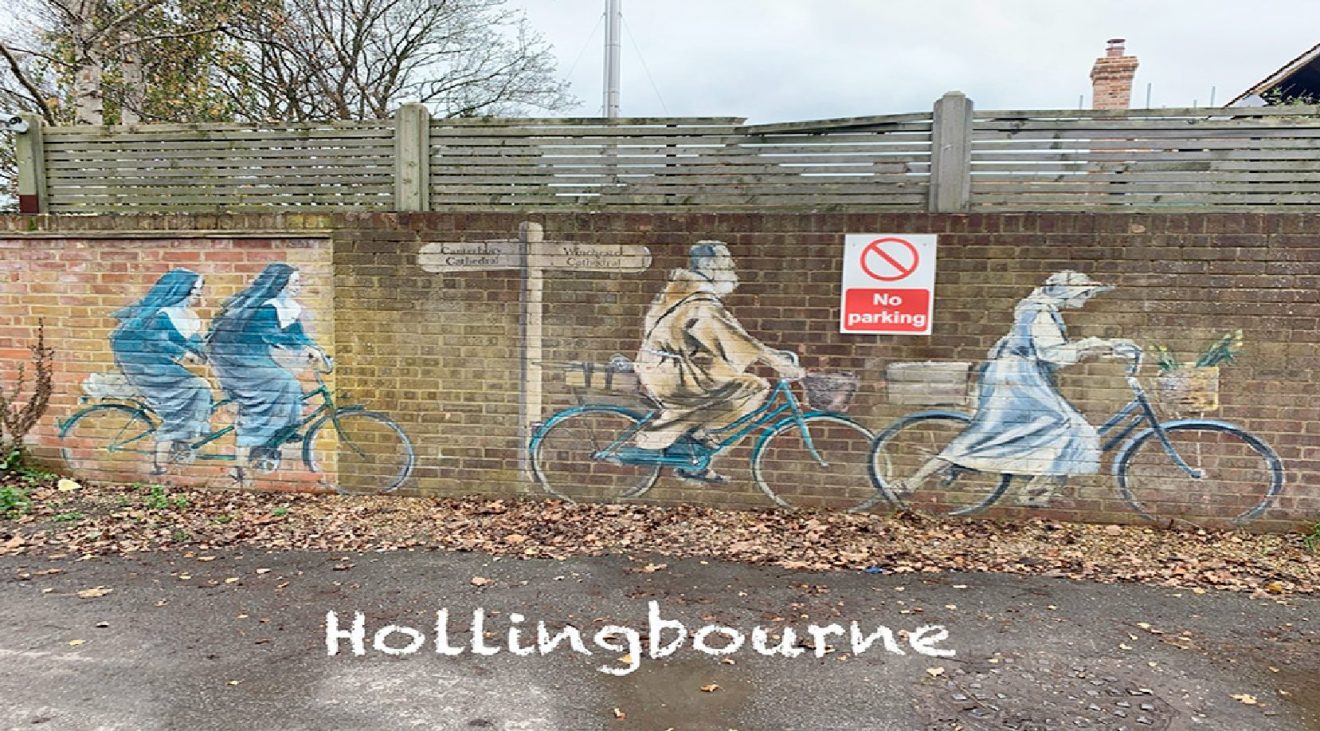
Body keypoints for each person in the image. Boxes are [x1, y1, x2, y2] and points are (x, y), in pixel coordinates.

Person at [890, 270, 1137, 507]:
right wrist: (1098, 346)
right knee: (1055, 426)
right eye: (1084, 293)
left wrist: (1099, 349)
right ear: (1066, 292)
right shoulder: (1040, 312)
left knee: (1063, 428)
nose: (1087, 298)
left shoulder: (1041, 309)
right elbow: (1051, 352)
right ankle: (912, 482)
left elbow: (1048, 352)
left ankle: (1036, 492)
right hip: (1015, 377)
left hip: (1021, 375)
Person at [630, 241, 803, 482]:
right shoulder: (700, 303)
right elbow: (734, 338)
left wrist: (769, 355)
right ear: (711, 266)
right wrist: (778, 362)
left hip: (662, 367)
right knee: (754, 387)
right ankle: (695, 439)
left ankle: (692, 452)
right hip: (671, 374)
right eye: (726, 264)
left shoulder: (678, 292)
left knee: (725, 390)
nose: (732, 269)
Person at [207, 262, 328, 485]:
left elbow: (298, 335)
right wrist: (304, 349)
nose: (298, 287)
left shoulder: (285, 306)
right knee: (283, 383)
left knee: (288, 385)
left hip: (256, 357)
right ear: (281, 284)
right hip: (236, 359)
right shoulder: (267, 308)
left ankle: (283, 429)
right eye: (294, 282)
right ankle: (250, 453)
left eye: (299, 282)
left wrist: (317, 350)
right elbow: (272, 335)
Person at [110, 268, 212, 474]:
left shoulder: (183, 315)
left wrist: (213, 353)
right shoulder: (161, 314)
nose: (197, 294)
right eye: (193, 289)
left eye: (199, 289)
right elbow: (157, 339)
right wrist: (183, 353)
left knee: (200, 391)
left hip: (159, 364)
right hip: (144, 365)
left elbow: (192, 341)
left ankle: (182, 437)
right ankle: (161, 460)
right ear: (180, 289)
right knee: (196, 389)